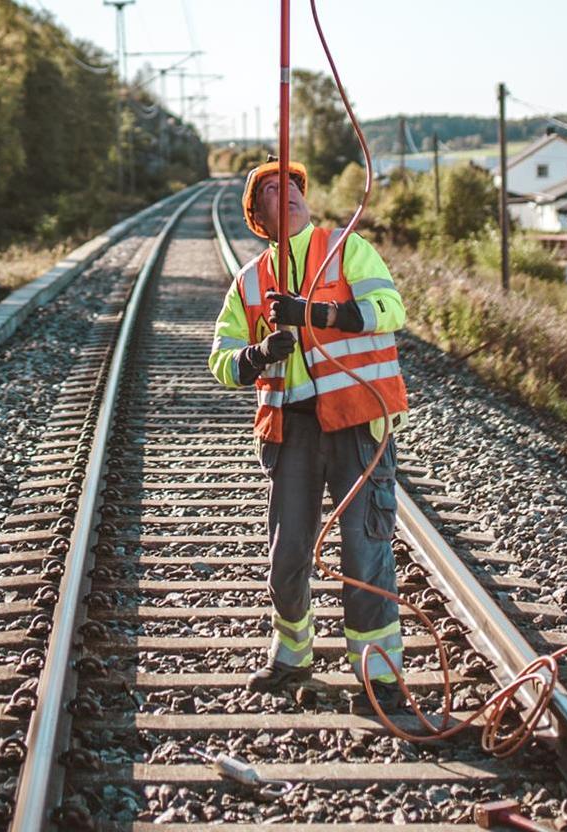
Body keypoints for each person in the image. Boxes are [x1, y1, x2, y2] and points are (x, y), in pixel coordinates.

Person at [208, 158, 409, 711]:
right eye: (272, 190)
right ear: (258, 215)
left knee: (365, 549)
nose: (288, 193)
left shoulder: (347, 249)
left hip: (356, 421)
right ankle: (291, 656)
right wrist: (255, 355)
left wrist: (316, 312)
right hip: (291, 431)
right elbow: (220, 359)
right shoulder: (250, 281)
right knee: (288, 553)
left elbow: (390, 309)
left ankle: (379, 674)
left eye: (291, 185)